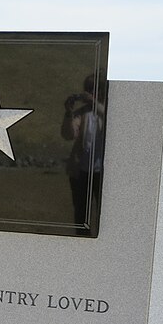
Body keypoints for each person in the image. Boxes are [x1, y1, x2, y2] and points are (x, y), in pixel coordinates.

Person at [61, 73, 105, 235]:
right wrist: (68, 113)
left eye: (92, 89)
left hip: (103, 173)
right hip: (81, 171)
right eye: (87, 89)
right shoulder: (82, 113)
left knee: (105, 214)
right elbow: (68, 135)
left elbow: (110, 120)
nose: (88, 93)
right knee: (81, 213)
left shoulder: (107, 111)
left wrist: (94, 103)